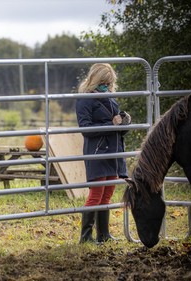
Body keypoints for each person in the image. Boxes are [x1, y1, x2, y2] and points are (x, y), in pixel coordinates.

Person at [75, 63, 131, 243]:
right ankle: (85, 236)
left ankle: (103, 234)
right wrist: (112, 125)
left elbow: (116, 127)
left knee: (107, 193)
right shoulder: (85, 99)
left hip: (114, 152)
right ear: (95, 80)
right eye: (104, 82)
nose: (106, 85)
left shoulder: (111, 98)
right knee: (96, 194)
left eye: (109, 82)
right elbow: (86, 129)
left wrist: (124, 122)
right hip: (98, 152)